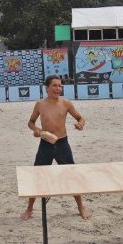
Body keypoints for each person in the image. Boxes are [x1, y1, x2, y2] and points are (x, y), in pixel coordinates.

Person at [21, 74, 90, 221]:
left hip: (62, 144)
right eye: (54, 85)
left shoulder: (66, 103)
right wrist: (36, 130)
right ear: (47, 88)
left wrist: (81, 124)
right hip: (45, 143)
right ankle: (29, 208)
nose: (58, 88)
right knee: (37, 176)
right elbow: (31, 122)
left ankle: (80, 207)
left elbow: (80, 118)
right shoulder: (40, 104)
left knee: (72, 175)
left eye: (60, 86)